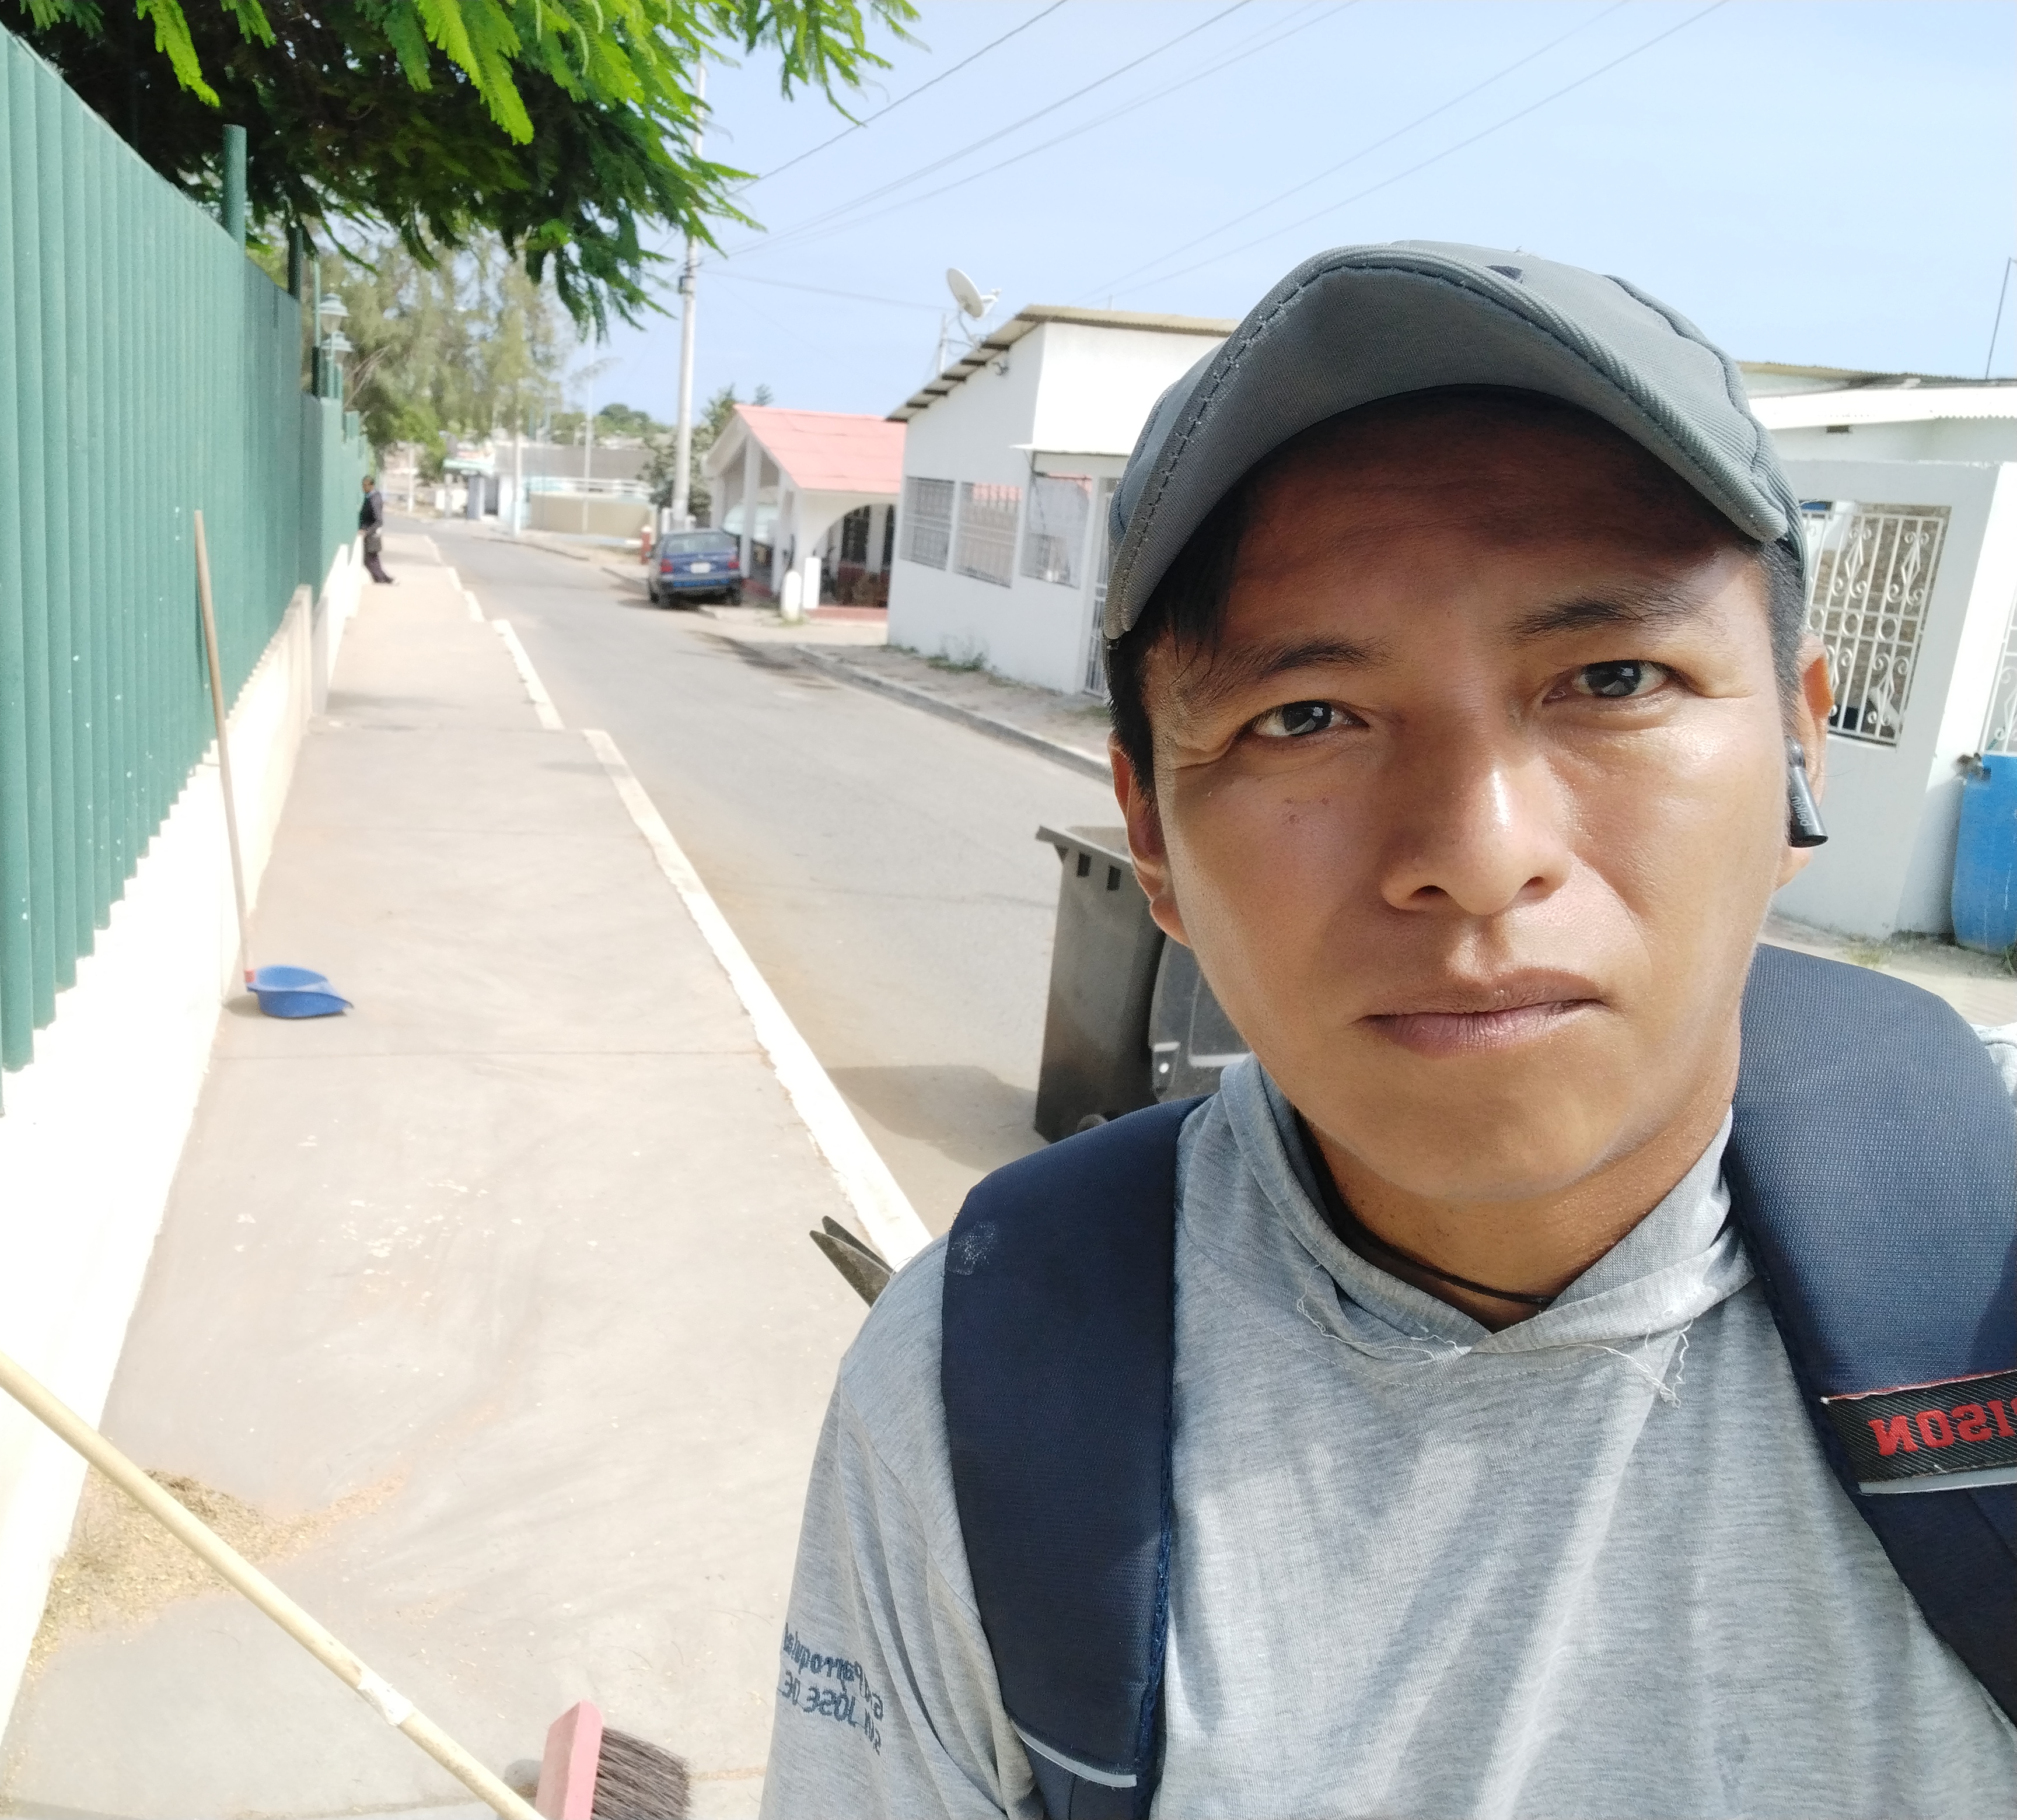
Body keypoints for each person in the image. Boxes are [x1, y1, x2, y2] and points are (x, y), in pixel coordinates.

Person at [760, 242, 2017, 1818]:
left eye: (1614, 676)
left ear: (1799, 757)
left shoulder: (1987, 1276)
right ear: (1150, 839)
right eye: (1306, 716)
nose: (1479, 853)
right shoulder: (973, 1397)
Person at [358, 472, 393, 584]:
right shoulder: (371, 497)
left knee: (369, 559)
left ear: (371, 486)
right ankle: (383, 578)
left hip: (372, 534)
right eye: (363, 485)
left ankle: (382, 579)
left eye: (366, 485)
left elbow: (379, 521)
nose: (364, 488)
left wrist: (367, 532)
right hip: (370, 532)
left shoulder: (374, 500)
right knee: (372, 559)